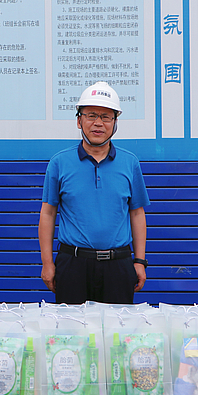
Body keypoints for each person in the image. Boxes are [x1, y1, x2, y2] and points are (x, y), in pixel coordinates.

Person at [38, 81, 150, 304]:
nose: (98, 123)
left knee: (117, 325)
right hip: (73, 264)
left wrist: (139, 261)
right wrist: (47, 263)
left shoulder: (130, 163)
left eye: (106, 117)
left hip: (118, 264)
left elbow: (137, 213)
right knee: (71, 325)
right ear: (79, 120)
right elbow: (48, 213)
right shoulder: (59, 162)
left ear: (115, 122)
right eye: (91, 115)